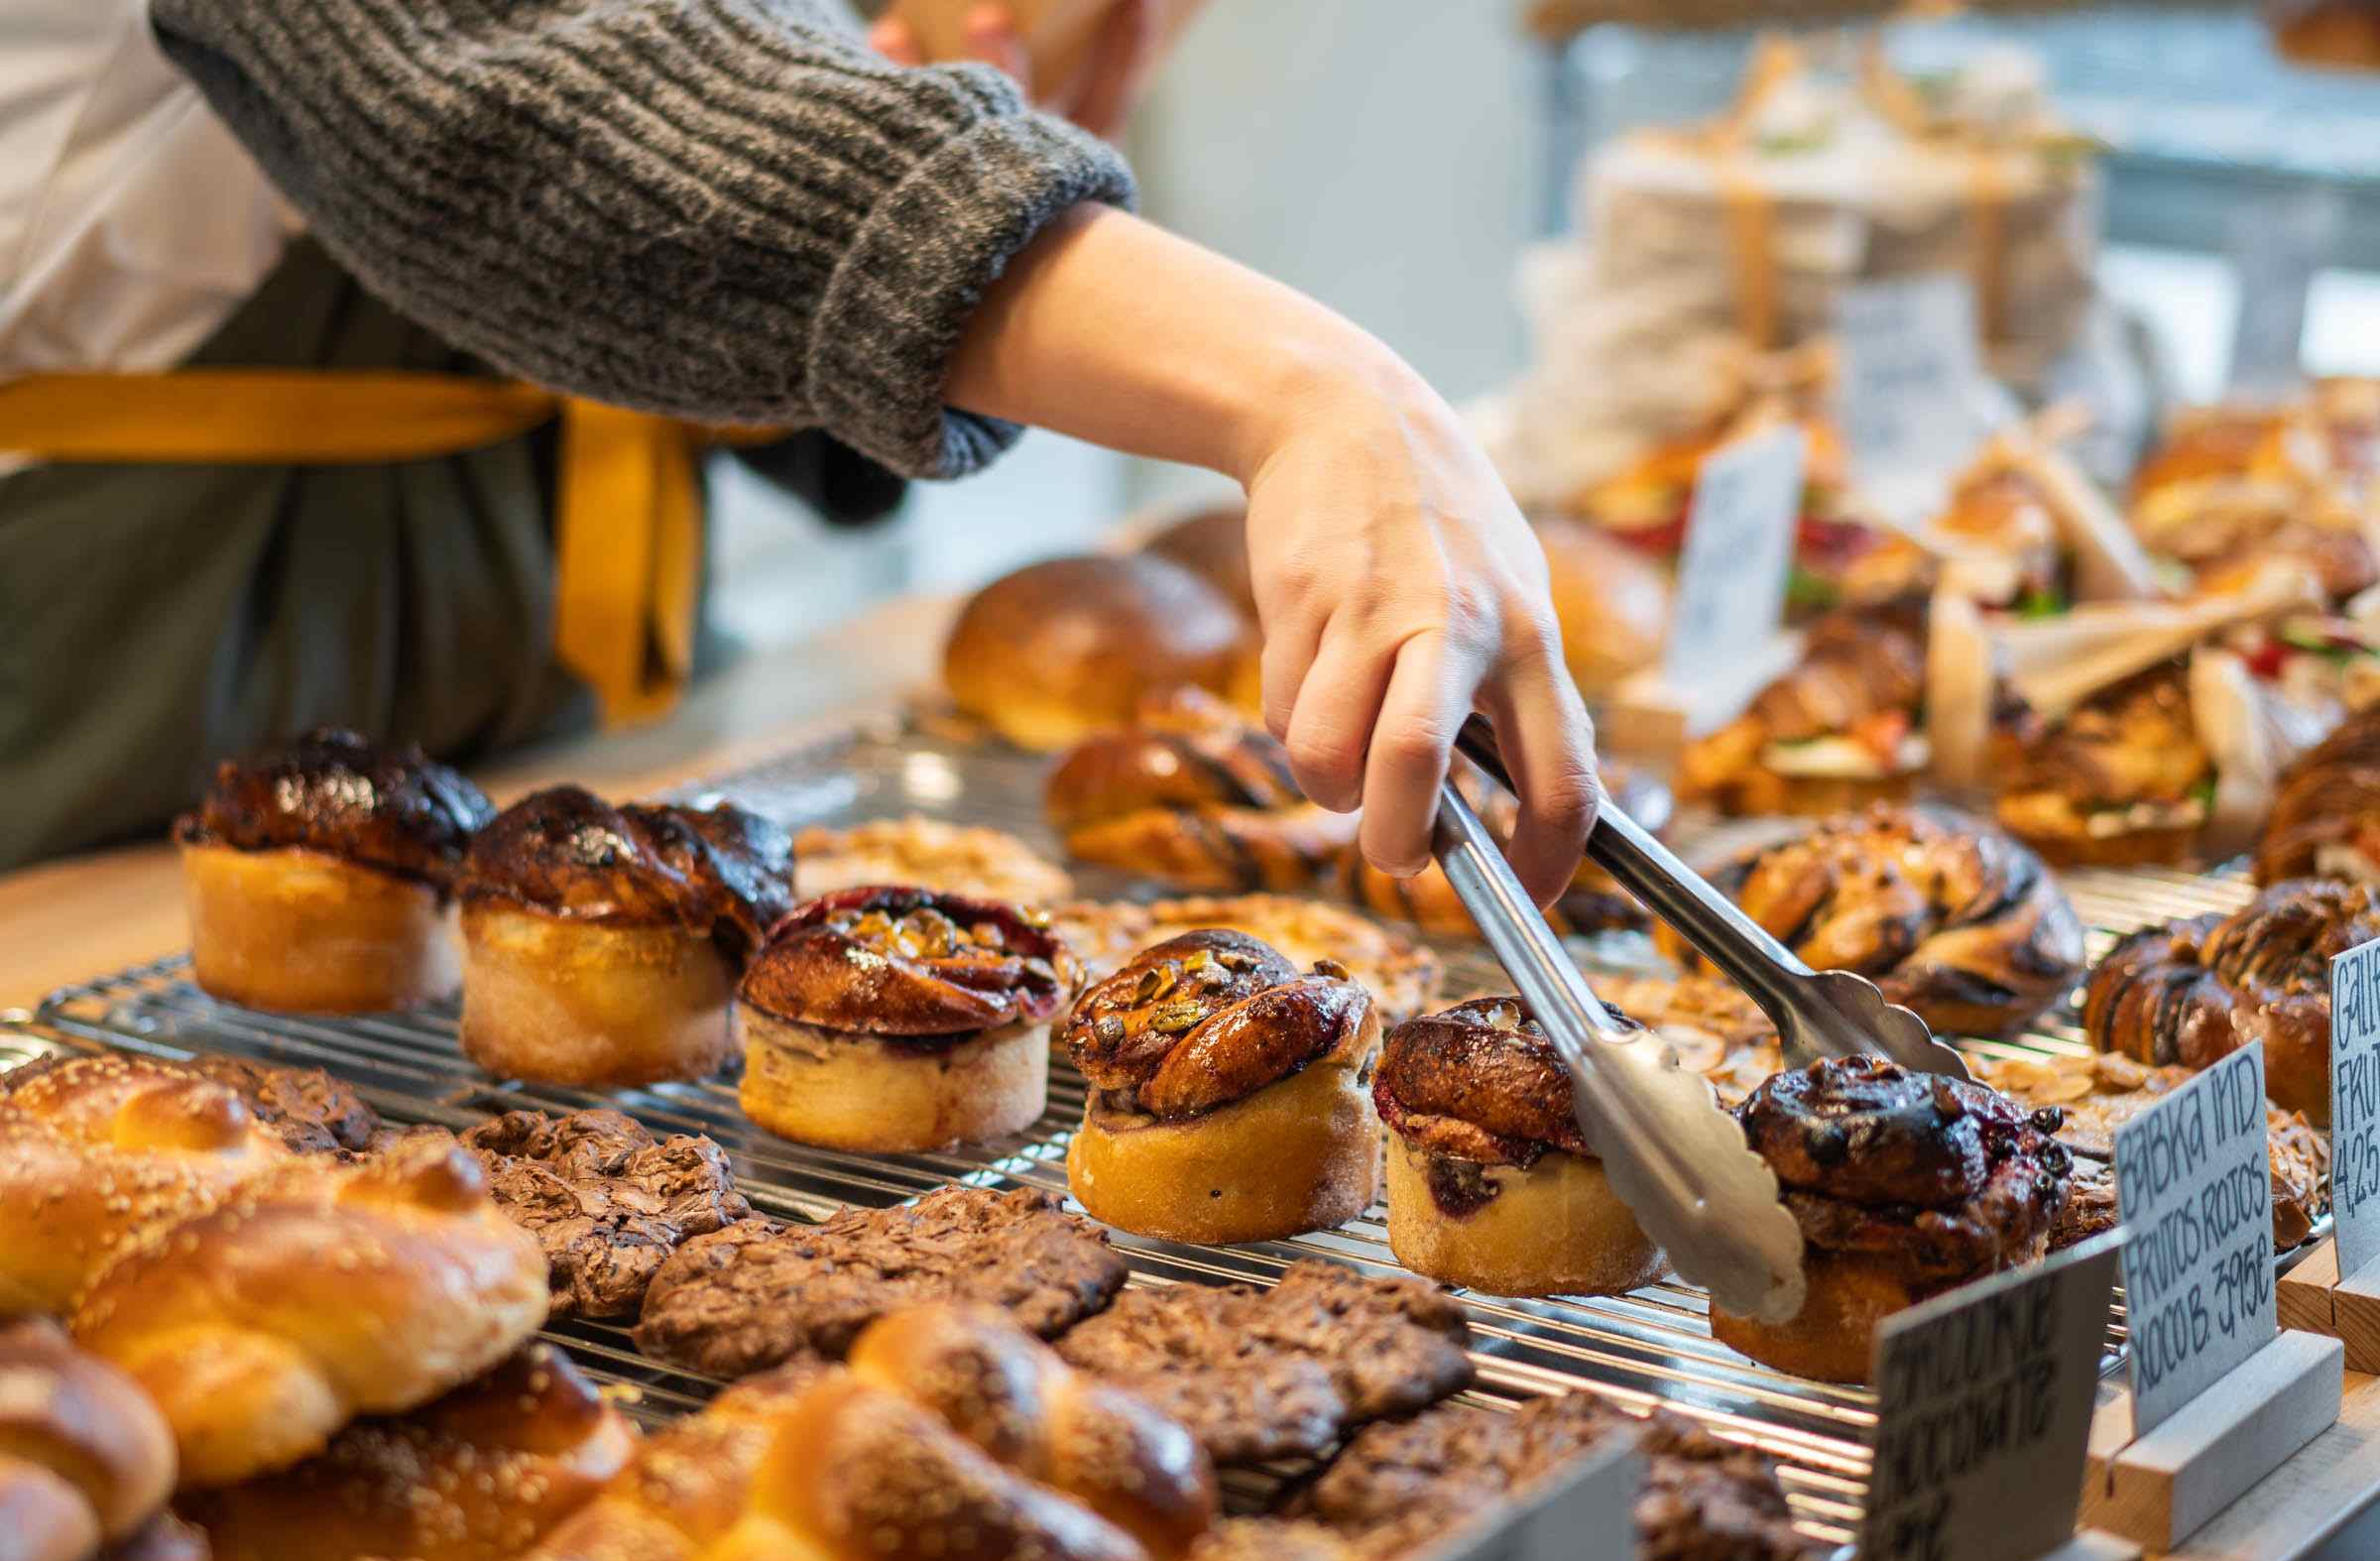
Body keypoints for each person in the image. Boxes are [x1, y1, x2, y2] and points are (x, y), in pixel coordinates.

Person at [0, 0, 1598, 905]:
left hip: (532, 704)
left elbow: (695, 241)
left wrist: (908, 68)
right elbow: (520, 104)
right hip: (108, 731)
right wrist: (1312, 389)